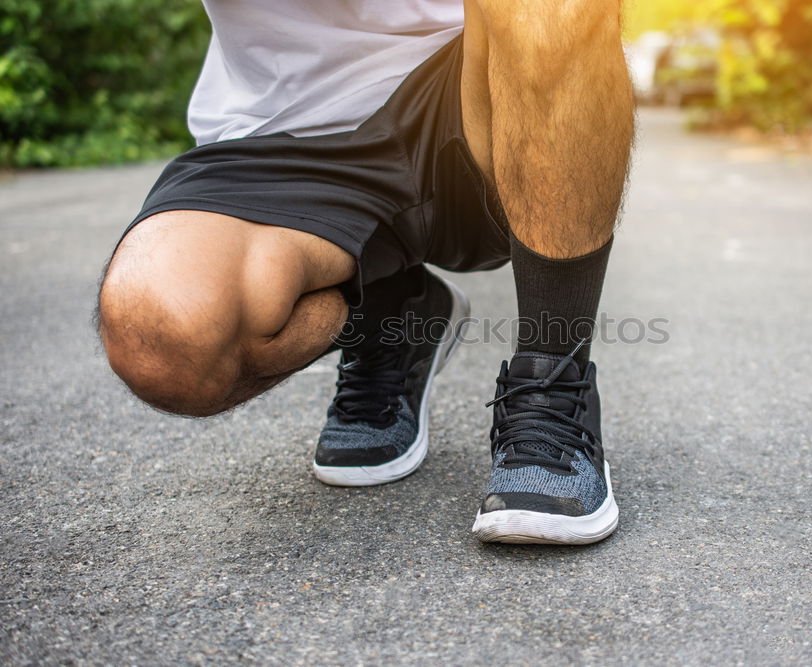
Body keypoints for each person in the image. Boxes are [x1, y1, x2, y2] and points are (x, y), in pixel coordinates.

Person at [97, 0, 634, 545]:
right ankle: (395, 317)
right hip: (278, 129)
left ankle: (552, 379)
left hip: (478, 92)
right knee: (163, 342)